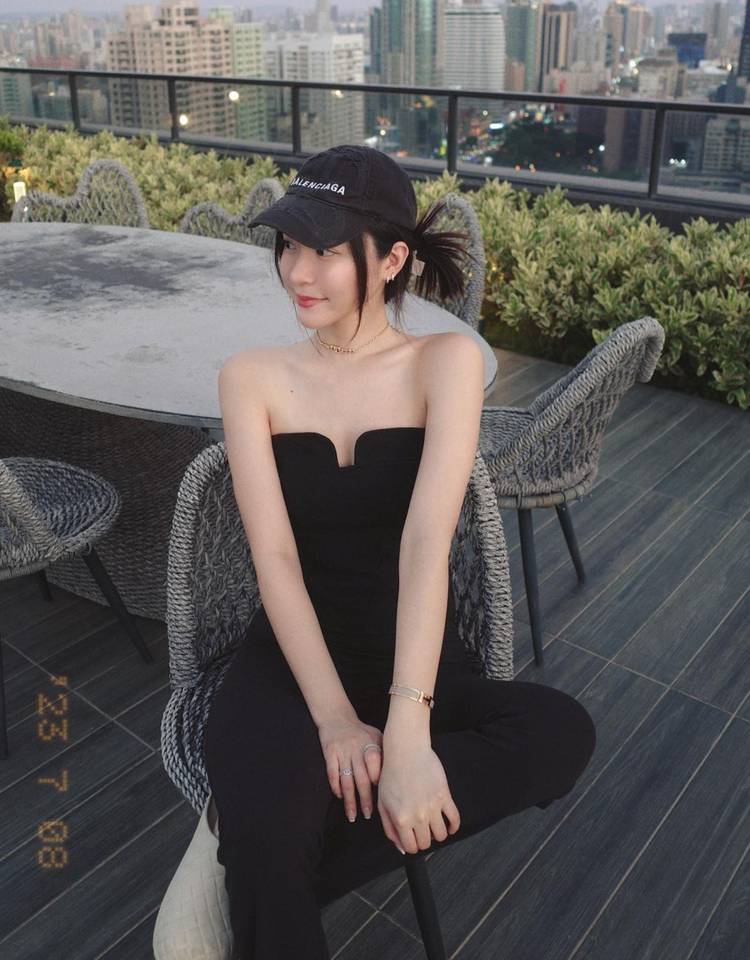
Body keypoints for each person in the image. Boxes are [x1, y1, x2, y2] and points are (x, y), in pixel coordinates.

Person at [161, 145, 597, 960]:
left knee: (559, 732)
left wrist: (407, 738)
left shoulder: (445, 362)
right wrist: (334, 721)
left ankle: (253, 843)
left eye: (327, 250)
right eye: (290, 244)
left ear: (392, 259)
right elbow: (274, 559)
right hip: (293, 663)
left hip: (416, 657)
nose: (299, 271)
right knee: (272, 846)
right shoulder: (251, 376)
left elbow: (427, 545)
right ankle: (265, 842)